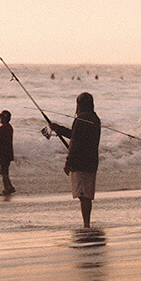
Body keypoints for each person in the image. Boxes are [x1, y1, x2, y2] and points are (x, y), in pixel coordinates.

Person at [50, 92, 101, 228]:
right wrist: (58, 129)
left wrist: (68, 162)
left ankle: (86, 224)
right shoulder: (95, 118)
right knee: (87, 195)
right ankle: (86, 223)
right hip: (91, 161)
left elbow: (75, 143)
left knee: (83, 195)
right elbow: (75, 136)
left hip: (80, 163)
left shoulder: (80, 120)